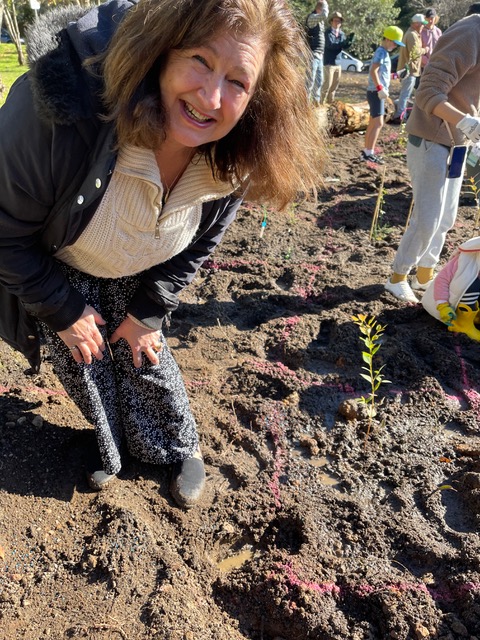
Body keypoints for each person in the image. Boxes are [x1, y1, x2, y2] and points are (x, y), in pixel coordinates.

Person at [0, 0, 324, 507]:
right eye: (199, 60)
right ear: (160, 53)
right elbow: (3, 232)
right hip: (58, 261)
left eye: (238, 82)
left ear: (258, 96)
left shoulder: (237, 147)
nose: (211, 97)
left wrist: (148, 311)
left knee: (143, 352)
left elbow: (200, 242)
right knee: (87, 359)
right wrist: (62, 309)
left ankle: (174, 448)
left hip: (141, 260)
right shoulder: (61, 120)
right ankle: (113, 451)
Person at [384, 11, 480, 304]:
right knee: (427, 217)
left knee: (447, 216)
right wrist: (466, 122)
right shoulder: (469, 34)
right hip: (432, 138)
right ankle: (397, 277)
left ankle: (424, 273)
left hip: (459, 142)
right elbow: (428, 93)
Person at [361, 26, 405, 165]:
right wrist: (380, 88)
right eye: (394, 43)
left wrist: (396, 75)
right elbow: (373, 71)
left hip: (377, 92)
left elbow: (382, 74)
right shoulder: (381, 52)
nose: (395, 46)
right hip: (375, 92)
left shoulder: (385, 53)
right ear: (387, 39)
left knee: (374, 122)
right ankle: (369, 152)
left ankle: (367, 152)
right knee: (378, 123)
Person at [422, 236, 480, 341]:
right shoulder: (464, 260)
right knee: (472, 284)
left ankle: (476, 316)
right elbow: (442, 280)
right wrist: (443, 306)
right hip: (452, 306)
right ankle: (462, 324)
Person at [390, 14, 428, 124]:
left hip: (409, 70)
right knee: (405, 94)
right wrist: (425, 50)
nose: (423, 27)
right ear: (416, 24)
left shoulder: (412, 33)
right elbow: (415, 52)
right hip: (409, 70)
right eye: (422, 24)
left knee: (405, 94)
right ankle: (400, 116)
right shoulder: (412, 35)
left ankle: (400, 113)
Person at [320, 11, 354, 105]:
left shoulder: (342, 34)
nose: (337, 23)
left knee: (334, 86)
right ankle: (321, 104)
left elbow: (343, 47)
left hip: (338, 63)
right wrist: (342, 43)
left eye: (339, 21)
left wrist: (349, 42)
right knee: (327, 85)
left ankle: (330, 104)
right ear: (331, 21)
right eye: (335, 21)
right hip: (329, 63)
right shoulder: (327, 33)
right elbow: (330, 45)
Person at [306, 1, 329, 107]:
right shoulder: (312, 17)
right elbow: (324, 15)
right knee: (310, 80)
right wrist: (326, 9)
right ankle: (304, 103)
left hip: (320, 54)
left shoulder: (320, 21)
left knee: (319, 80)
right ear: (321, 8)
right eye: (326, 7)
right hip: (313, 54)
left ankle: (316, 103)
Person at [420, 8, 442, 73]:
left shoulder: (438, 31)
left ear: (435, 18)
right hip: (423, 67)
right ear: (425, 18)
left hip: (437, 66)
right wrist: (427, 62)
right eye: (428, 18)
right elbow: (418, 50)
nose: (430, 20)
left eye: (432, 18)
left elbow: (441, 47)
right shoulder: (421, 31)